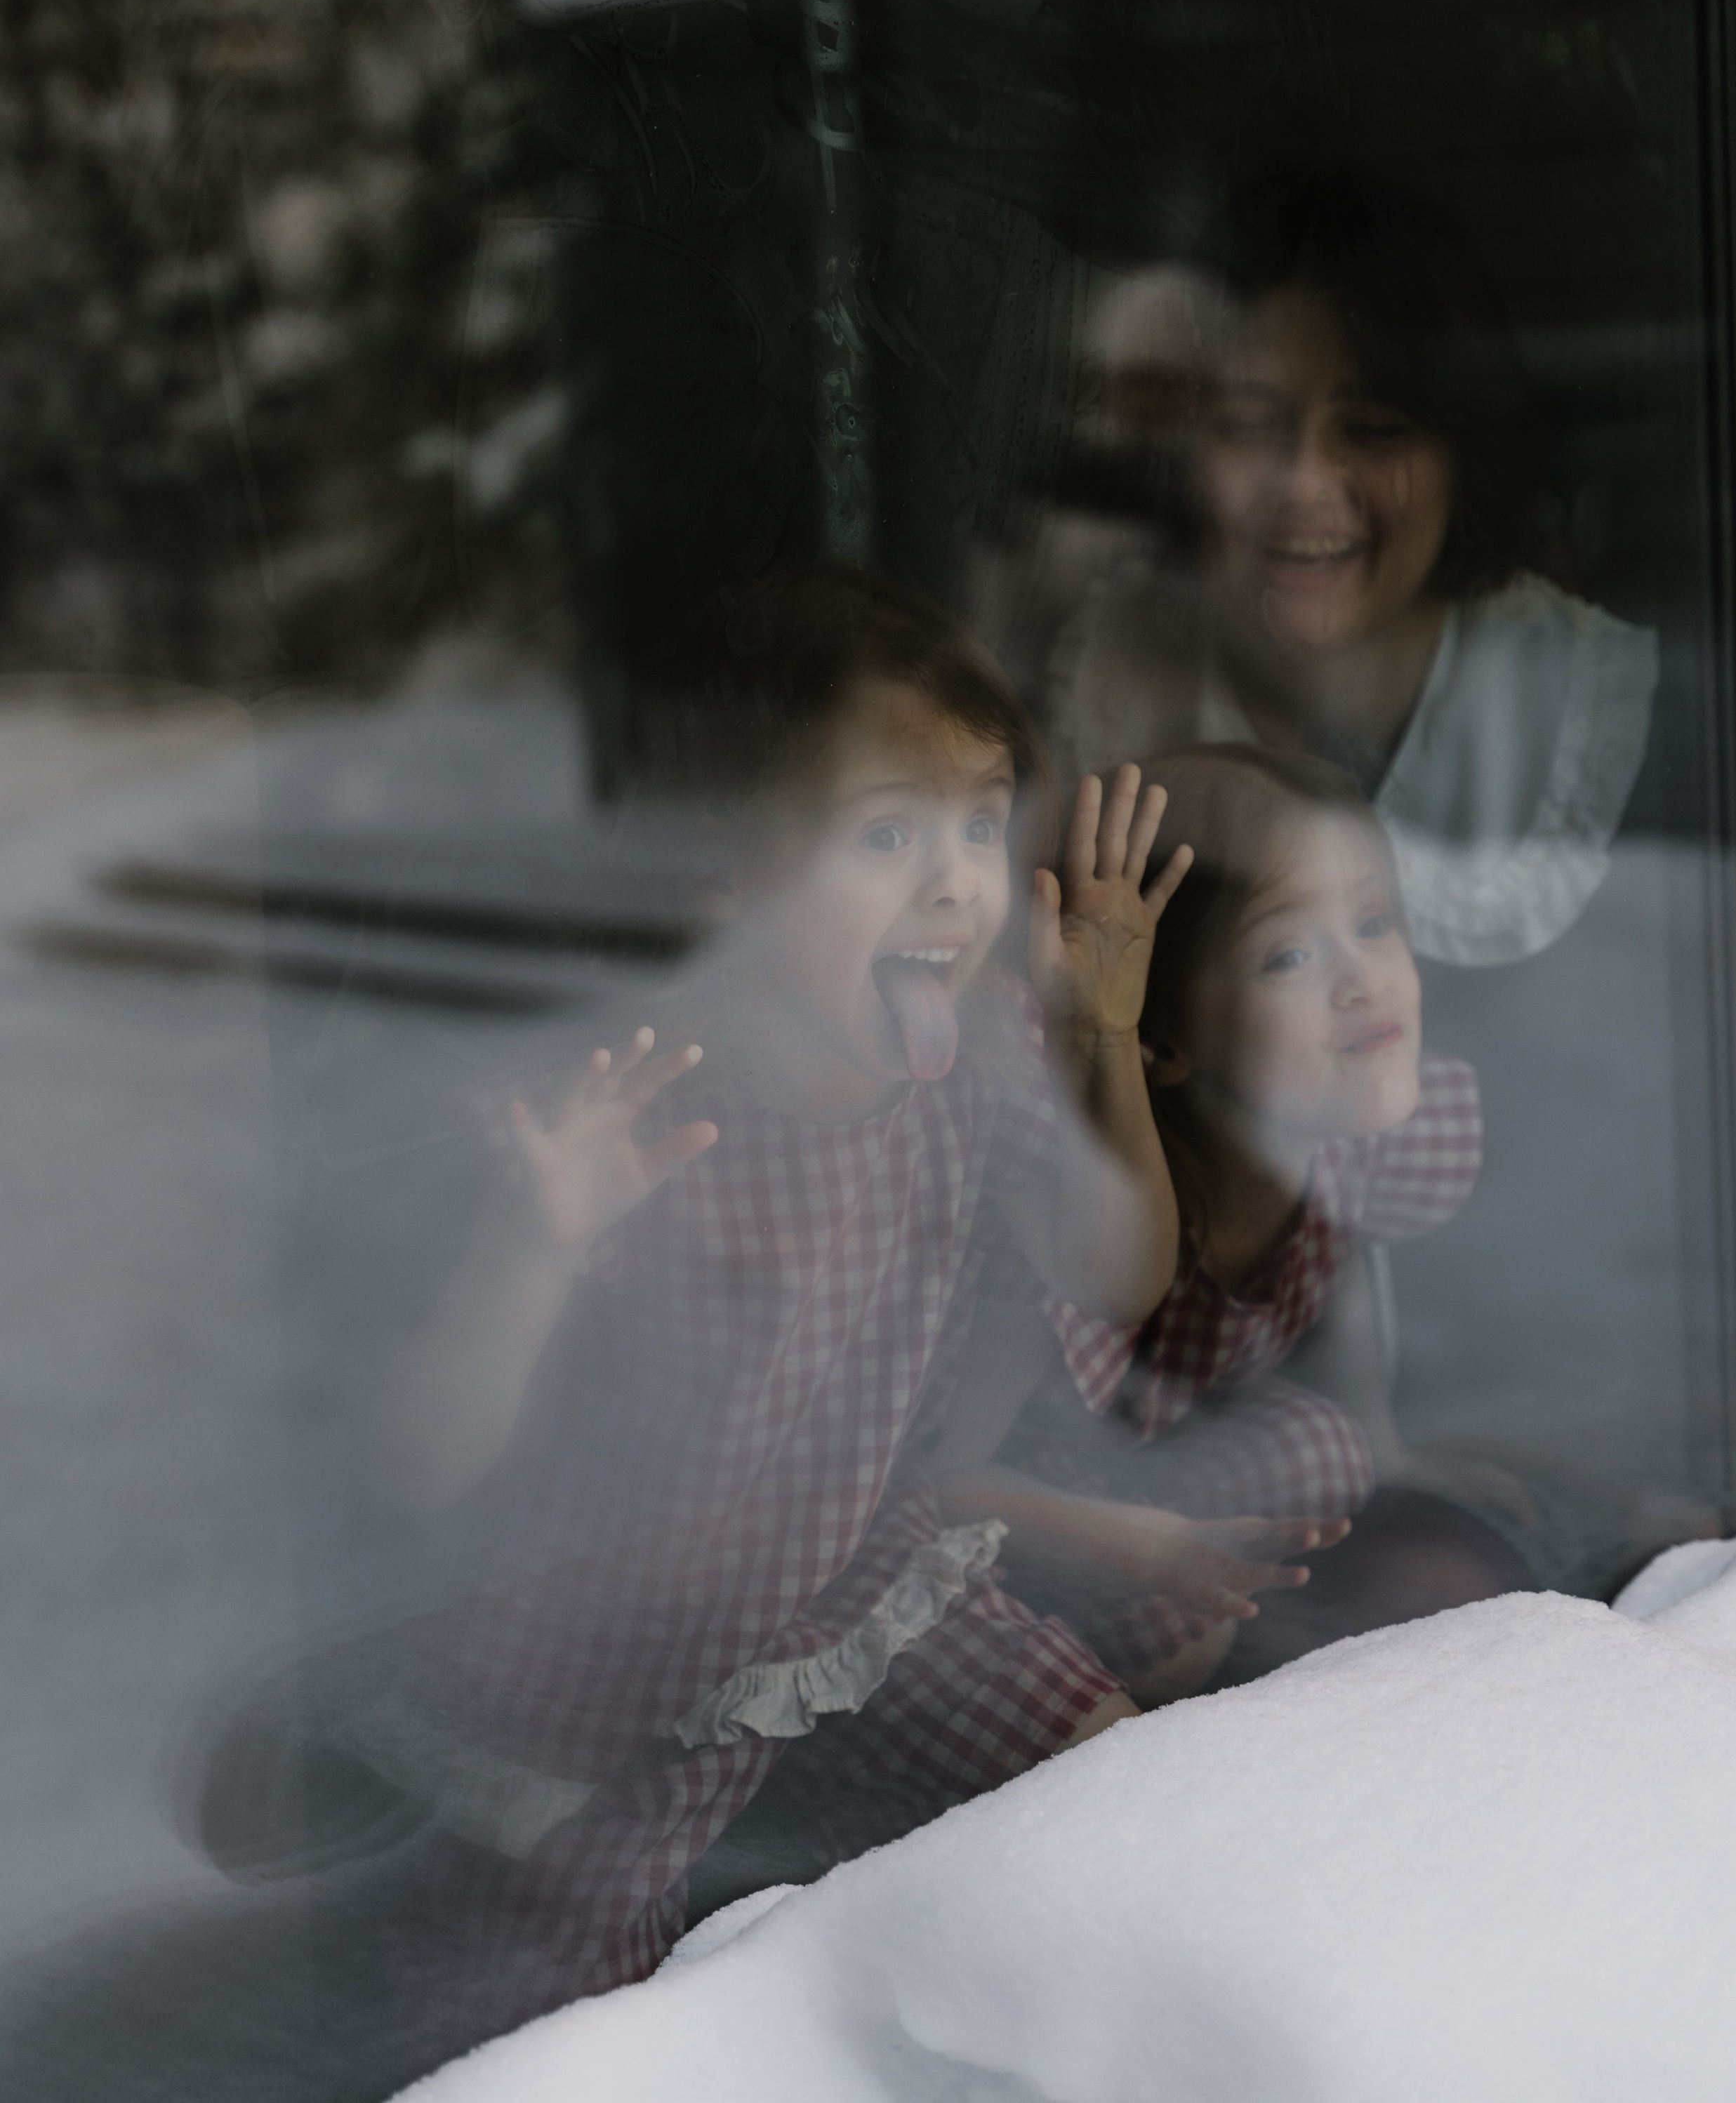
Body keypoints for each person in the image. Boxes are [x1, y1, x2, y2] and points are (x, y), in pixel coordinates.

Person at [0, 571, 1200, 2103]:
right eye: (884, 835)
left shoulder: (976, 1058)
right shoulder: (635, 1109)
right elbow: (427, 1459)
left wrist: (1105, 1036)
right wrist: (536, 1249)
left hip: (847, 1585)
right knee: (559, 2033)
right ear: (723, 878)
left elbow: (1119, 1277)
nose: (956, 886)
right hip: (617, 1676)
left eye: (978, 823)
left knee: (1104, 1785)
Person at [934, 745, 1529, 1707]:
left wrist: (1389, 1446)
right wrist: (1131, 1543)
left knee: (1325, 1448)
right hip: (1028, 1544)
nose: (1362, 980)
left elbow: (1337, 1282)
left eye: (1374, 923)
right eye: (1289, 955)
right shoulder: (1082, 1227)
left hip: (1180, 1483)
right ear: (1159, 1038)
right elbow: (941, 1480)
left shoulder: (1331, 1144)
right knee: (1308, 1461)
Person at [1052, 168, 1659, 968]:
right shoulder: (1109, 687)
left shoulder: (1599, 720)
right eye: (1247, 424)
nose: (1305, 484)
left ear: (1464, 455)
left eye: (1373, 429)